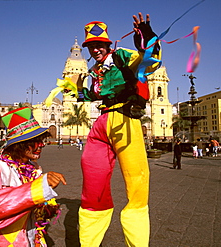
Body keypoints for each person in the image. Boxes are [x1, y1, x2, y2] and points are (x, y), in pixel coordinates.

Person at [76, 13, 160, 246]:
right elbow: (91, 95)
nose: (95, 50)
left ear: (107, 44)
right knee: (93, 181)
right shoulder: (95, 72)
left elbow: (149, 61)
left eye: (99, 45)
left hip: (125, 120)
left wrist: (145, 35)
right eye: (91, 46)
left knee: (137, 184)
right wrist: (77, 89)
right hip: (101, 124)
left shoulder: (121, 56)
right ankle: (89, 241)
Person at [0, 107, 66, 247]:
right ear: (19, 145)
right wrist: (36, 189)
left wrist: (45, 210)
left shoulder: (34, 170)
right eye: (34, 141)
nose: (41, 145)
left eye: (41, 140)